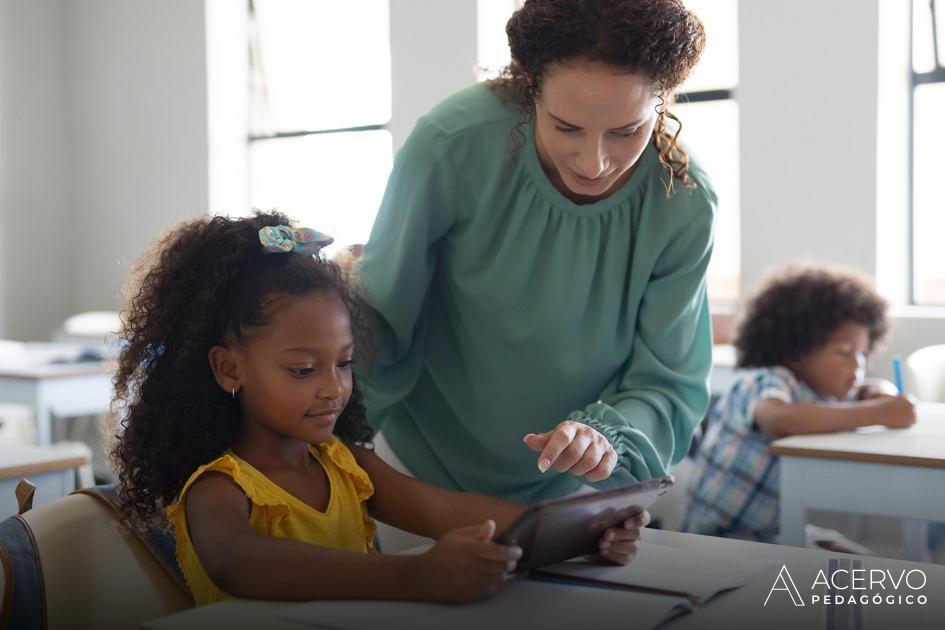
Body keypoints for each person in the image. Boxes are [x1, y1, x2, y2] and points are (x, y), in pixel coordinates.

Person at [110, 211, 645, 606]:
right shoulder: (218, 488)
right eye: (303, 370)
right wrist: (415, 578)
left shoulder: (346, 464)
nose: (332, 389)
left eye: (343, 364)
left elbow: (446, 511)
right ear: (230, 369)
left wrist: (583, 533)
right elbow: (239, 564)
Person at [353, 0, 715, 517]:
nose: (595, 162)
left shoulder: (685, 198)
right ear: (531, 89)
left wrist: (602, 437)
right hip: (417, 469)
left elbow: (666, 381)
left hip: (575, 490)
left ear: (663, 105)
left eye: (626, 131)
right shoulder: (452, 143)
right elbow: (380, 317)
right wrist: (332, 446)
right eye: (567, 127)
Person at [681, 265, 916, 543]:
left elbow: (865, 390)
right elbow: (780, 420)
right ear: (795, 350)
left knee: (853, 558)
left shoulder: (817, 392)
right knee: (847, 575)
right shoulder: (762, 380)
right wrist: (878, 412)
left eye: (863, 354)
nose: (858, 366)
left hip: (773, 533)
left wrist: (881, 392)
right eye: (844, 352)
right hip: (720, 541)